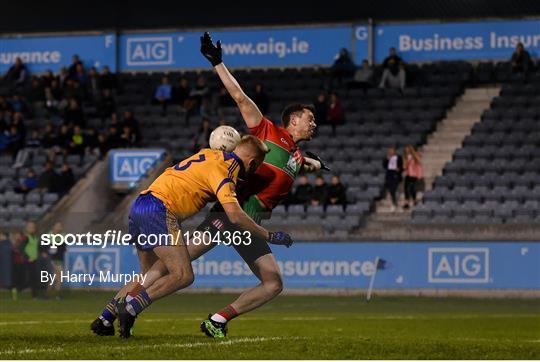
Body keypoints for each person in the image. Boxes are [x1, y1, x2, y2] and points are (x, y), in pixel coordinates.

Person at [92, 32, 326, 340]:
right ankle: (114, 311)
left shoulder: (294, 154)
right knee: (170, 269)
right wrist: (217, 63)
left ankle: (217, 319)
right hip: (228, 216)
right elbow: (240, 97)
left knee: (273, 283)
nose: (314, 123)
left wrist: (312, 163)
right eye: (309, 118)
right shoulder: (267, 131)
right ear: (292, 120)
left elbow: (292, 162)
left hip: (249, 224)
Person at [91, 135, 291, 338]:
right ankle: (132, 308)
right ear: (253, 162)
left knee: (149, 273)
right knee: (183, 275)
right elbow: (235, 215)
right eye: (256, 166)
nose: (255, 171)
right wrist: (269, 235)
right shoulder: (226, 171)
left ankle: (106, 318)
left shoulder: (209, 154)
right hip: (160, 210)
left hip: (141, 205)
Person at [45, 222, 66, 300]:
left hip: (60, 258)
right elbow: (48, 247)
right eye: (58, 226)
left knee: (59, 277)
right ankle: (49, 294)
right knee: (54, 277)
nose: (60, 227)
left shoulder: (63, 235)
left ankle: (55, 295)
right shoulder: (49, 235)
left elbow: (62, 246)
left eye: (60, 226)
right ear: (53, 227)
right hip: (52, 259)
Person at [383, 146, 403, 212]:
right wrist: (386, 159)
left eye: (391, 150)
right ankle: (394, 202)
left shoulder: (399, 157)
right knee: (391, 189)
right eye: (389, 150)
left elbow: (401, 166)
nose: (390, 152)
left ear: (394, 151)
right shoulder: (387, 157)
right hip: (389, 174)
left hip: (395, 174)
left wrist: (399, 169)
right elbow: (384, 166)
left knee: (393, 188)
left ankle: (394, 203)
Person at [403, 145, 422, 209]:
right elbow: (404, 167)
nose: (407, 150)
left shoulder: (415, 156)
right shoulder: (405, 157)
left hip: (414, 175)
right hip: (408, 174)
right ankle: (406, 203)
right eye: (406, 149)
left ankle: (414, 201)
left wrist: (419, 175)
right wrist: (407, 163)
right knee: (406, 189)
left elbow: (419, 166)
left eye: (408, 149)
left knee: (411, 188)